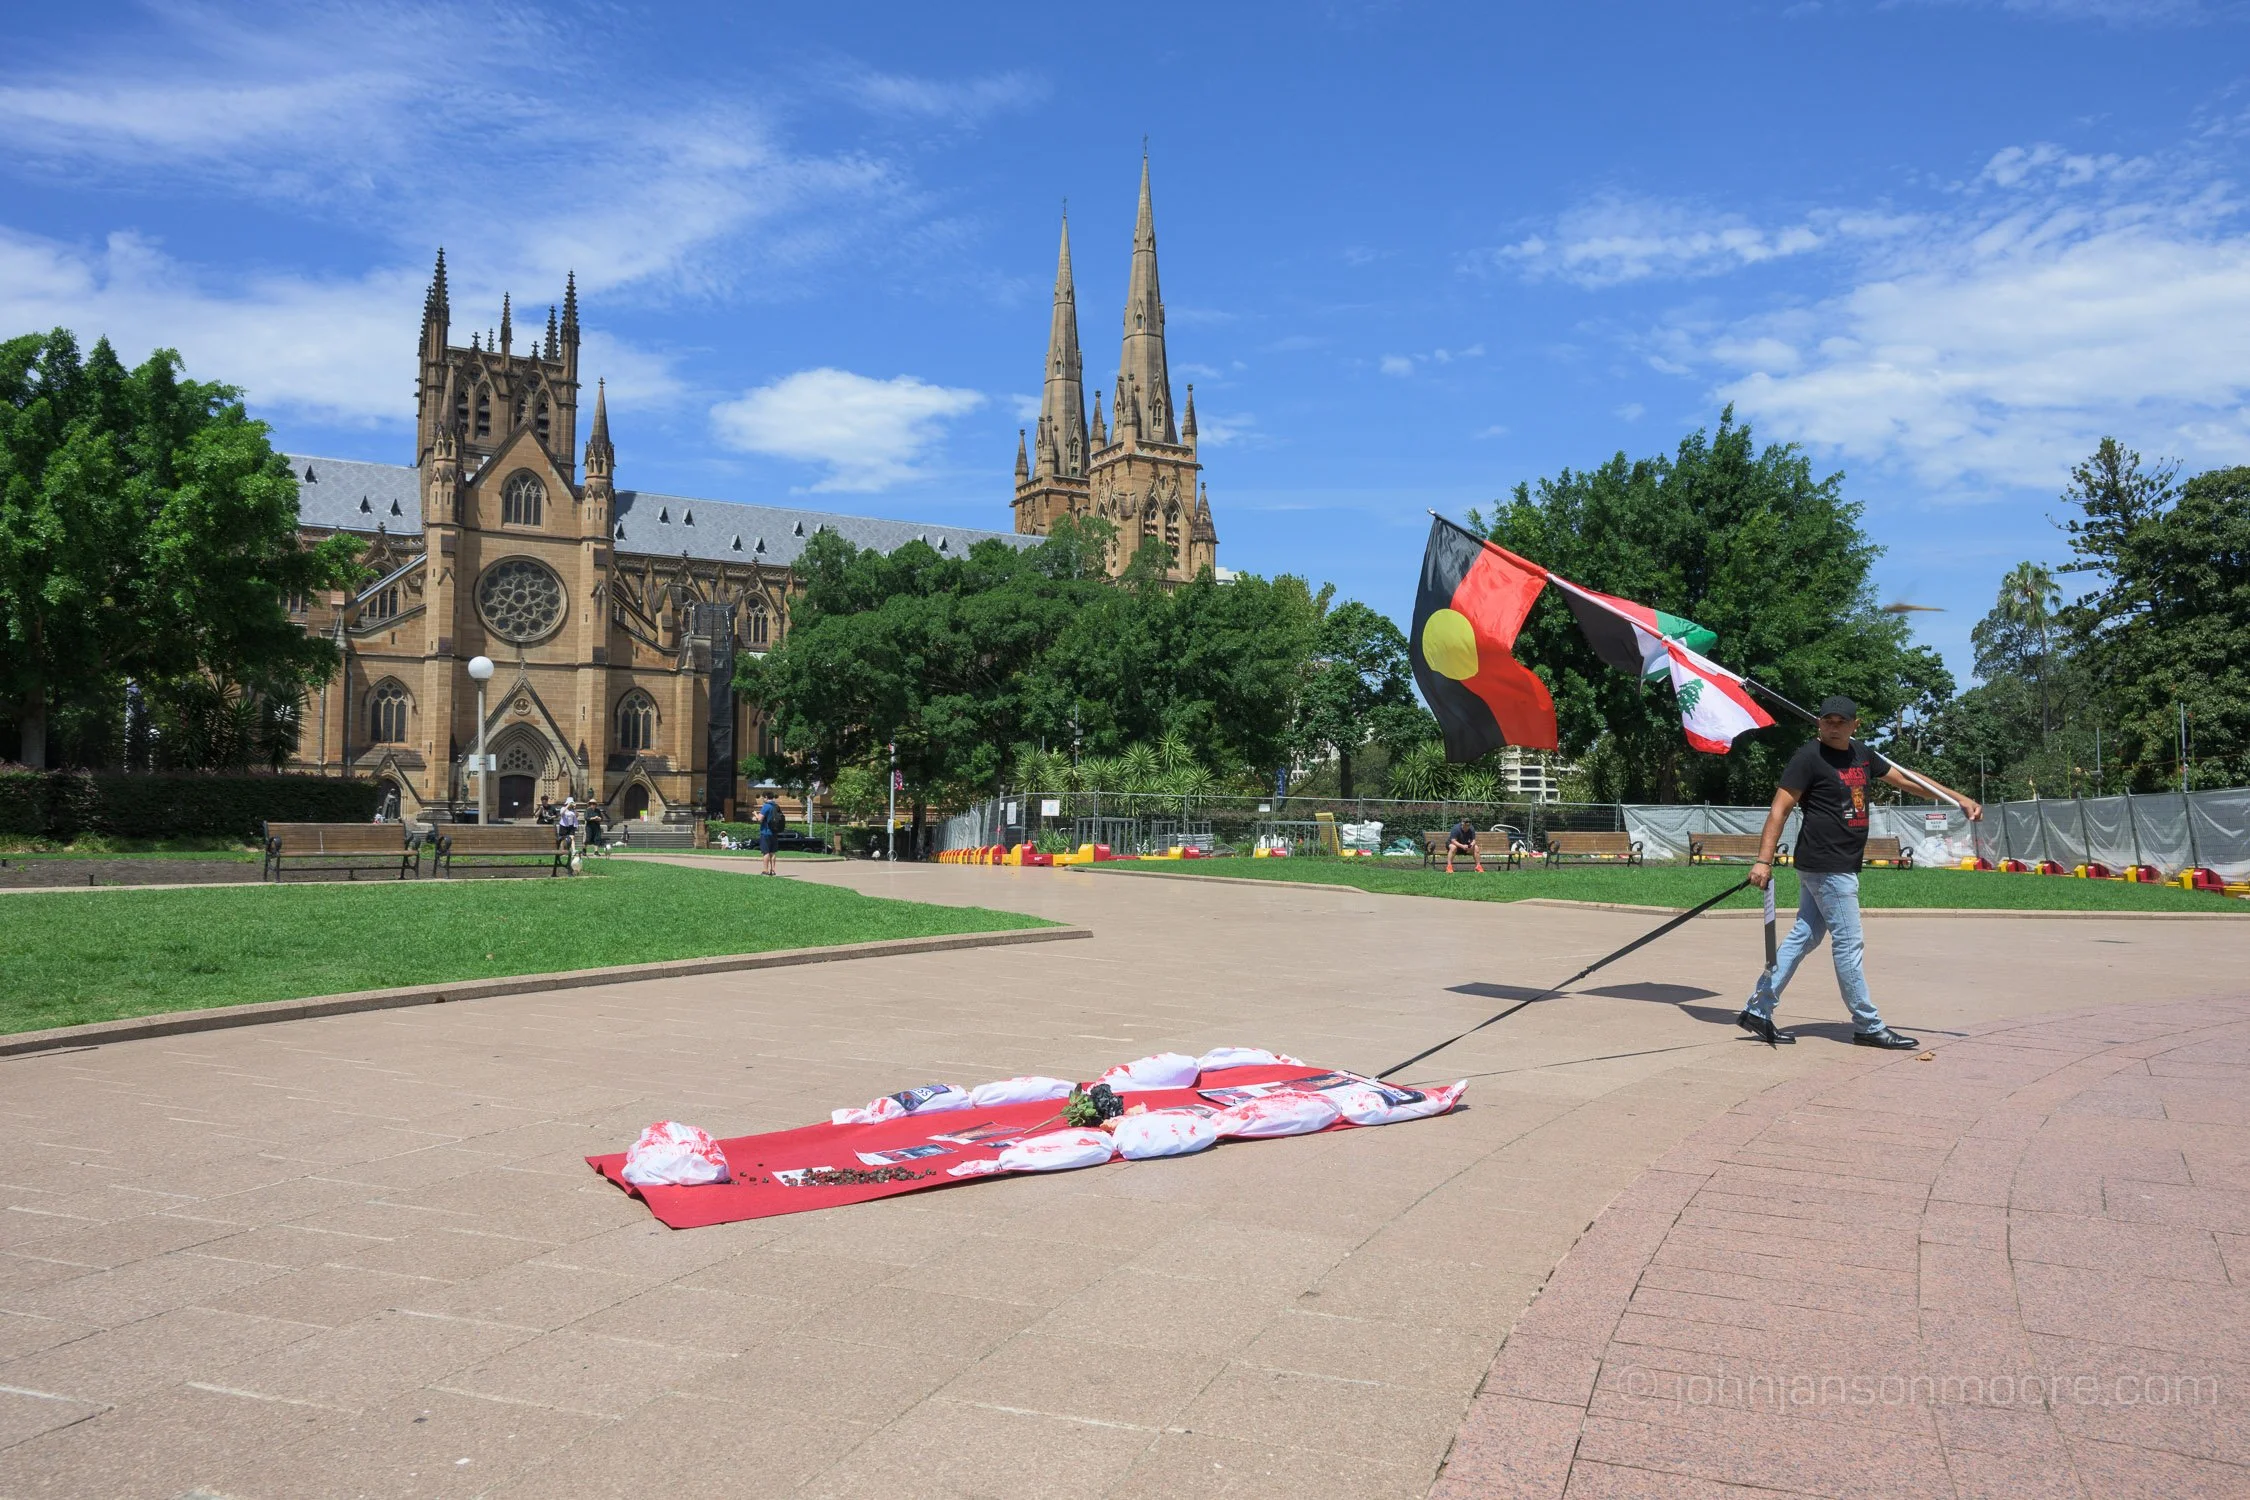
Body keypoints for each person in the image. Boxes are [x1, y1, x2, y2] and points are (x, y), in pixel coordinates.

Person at [1740, 696, 1982, 1049]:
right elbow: (1780, 809)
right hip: (1827, 864)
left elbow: (1908, 780)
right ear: (1819, 722)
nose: (1834, 727)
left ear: (1856, 724)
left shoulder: (1863, 754)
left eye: (1842, 721)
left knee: (1805, 936)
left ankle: (1758, 1009)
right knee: (1849, 943)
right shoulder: (1808, 757)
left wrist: (1956, 797)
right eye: (1828, 720)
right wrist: (1763, 860)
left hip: (1836, 862)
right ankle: (1868, 1024)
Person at [758, 792, 784, 876]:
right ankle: (773, 871)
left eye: (763, 798)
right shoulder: (776, 806)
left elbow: (760, 819)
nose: (763, 799)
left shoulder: (766, 806)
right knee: (773, 852)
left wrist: (755, 814)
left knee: (766, 852)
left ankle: (765, 871)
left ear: (766, 797)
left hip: (766, 832)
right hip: (774, 832)